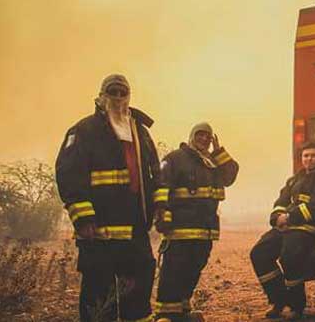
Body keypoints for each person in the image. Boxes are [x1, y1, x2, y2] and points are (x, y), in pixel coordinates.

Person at [55, 74, 160, 322]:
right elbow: (69, 175)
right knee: (99, 294)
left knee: (139, 289)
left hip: (134, 231)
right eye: (113, 92)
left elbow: (156, 172)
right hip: (98, 232)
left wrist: (160, 205)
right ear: (101, 96)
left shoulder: (140, 133)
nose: (118, 97)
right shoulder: (83, 131)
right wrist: (83, 218)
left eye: (123, 93)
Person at [153, 122, 239, 322]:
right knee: (174, 269)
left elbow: (230, 176)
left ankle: (182, 310)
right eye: (200, 135)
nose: (204, 139)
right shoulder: (175, 158)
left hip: (205, 229)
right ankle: (165, 314)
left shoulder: (212, 161)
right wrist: (162, 213)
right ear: (191, 136)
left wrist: (220, 152)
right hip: (180, 228)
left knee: (194, 268)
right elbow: (161, 186)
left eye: (208, 137)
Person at [250, 142, 315, 320]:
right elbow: (281, 201)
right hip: (286, 227)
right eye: (305, 156)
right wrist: (277, 217)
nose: (309, 159)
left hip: (309, 227)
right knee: (259, 252)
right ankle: (279, 300)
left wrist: (288, 217)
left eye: (313, 155)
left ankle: (296, 306)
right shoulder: (294, 180)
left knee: (290, 257)